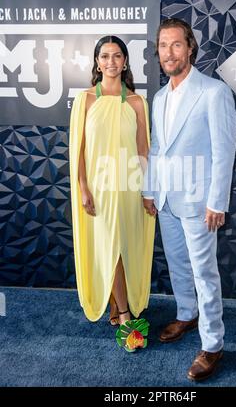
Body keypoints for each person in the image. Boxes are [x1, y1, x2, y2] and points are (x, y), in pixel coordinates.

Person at [142, 18, 236, 381]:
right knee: (178, 263)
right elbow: (156, 147)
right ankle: (186, 313)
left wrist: (217, 201)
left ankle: (212, 344)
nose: (169, 52)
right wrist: (150, 190)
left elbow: (224, 150)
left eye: (176, 44)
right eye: (163, 45)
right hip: (166, 197)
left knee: (204, 271)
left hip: (200, 202)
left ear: (190, 48)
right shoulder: (160, 96)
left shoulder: (213, 92)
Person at [69, 36, 155, 326]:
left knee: (125, 247)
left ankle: (117, 304)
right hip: (99, 188)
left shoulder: (137, 102)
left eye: (117, 56)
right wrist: (83, 188)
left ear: (125, 61)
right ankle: (123, 311)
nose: (111, 62)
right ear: (97, 62)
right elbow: (77, 150)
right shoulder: (85, 100)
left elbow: (143, 150)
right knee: (110, 246)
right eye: (104, 56)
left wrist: (147, 191)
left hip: (129, 188)